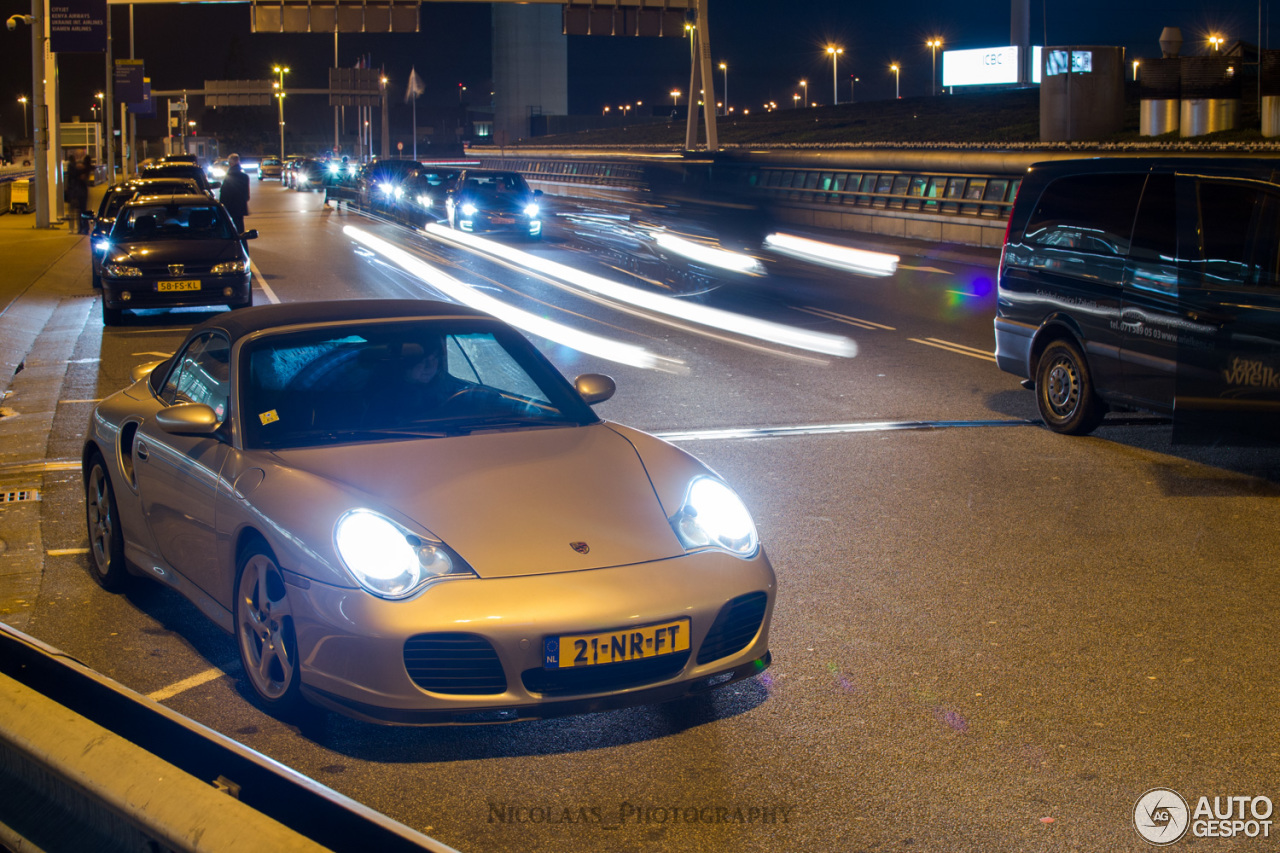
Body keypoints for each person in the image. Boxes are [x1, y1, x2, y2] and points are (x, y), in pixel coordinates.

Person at [219, 153, 250, 236]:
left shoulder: (228, 177)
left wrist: (221, 206)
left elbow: (224, 194)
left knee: (230, 229)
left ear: (230, 163)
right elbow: (247, 195)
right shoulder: (244, 176)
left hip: (229, 207)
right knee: (240, 229)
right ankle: (242, 245)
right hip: (240, 207)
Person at [65, 154, 89, 234]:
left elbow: (71, 181)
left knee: (74, 211)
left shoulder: (74, 173)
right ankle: (83, 228)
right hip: (81, 193)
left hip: (76, 193)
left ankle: (77, 228)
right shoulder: (84, 171)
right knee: (82, 211)